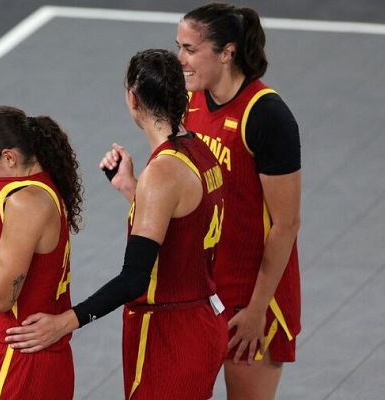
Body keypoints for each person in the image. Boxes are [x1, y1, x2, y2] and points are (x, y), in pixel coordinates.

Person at [5, 49, 228, 399]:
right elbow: (186, 226)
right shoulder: (200, 151)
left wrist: (65, 321)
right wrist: (130, 187)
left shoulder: (163, 173)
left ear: (133, 98)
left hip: (170, 330)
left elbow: (134, 277)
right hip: (200, 317)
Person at [176, 3, 302, 399]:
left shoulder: (266, 115)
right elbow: (186, 195)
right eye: (178, 46)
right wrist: (131, 186)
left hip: (253, 299)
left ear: (226, 52)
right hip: (204, 292)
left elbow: (286, 224)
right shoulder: (190, 102)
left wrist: (257, 309)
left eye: (190, 49)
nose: (180, 58)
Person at [0, 105, 83, 400]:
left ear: (9, 157)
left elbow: (0, 298)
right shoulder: (42, 186)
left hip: (19, 361)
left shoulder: (25, 202)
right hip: (46, 358)